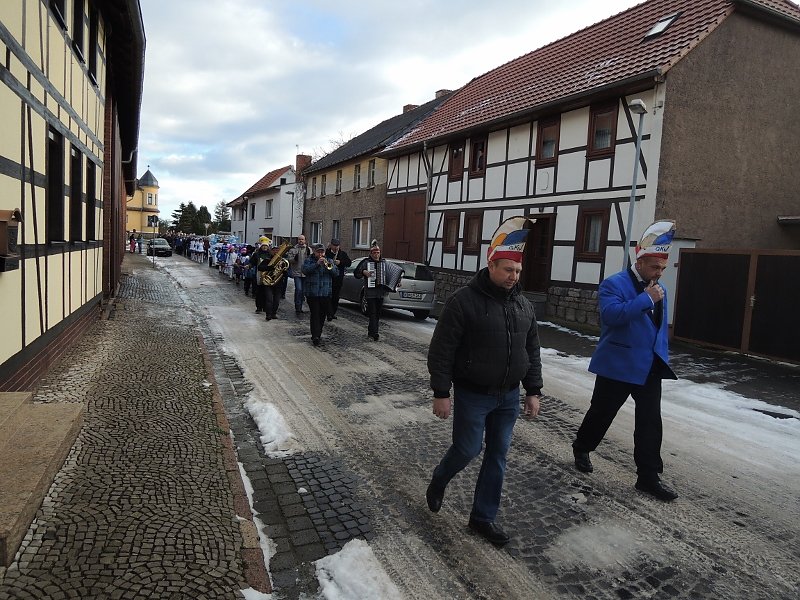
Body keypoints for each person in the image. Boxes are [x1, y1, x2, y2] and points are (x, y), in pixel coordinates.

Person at [425, 217, 542, 547]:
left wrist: (533, 390)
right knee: (468, 449)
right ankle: (440, 477)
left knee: (498, 456)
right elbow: (442, 349)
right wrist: (440, 392)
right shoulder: (463, 301)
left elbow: (531, 349)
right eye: (507, 270)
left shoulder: (523, 305)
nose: (513, 277)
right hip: (472, 394)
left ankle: (482, 518)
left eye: (517, 272)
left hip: (508, 397)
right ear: (491, 265)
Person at [572, 220, 679, 502]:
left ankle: (648, 476)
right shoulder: (614, 283)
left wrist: (662, 357)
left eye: (663, 269)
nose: (659, 273)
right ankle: (582, 446)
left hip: (649, 366)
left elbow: (658, 327)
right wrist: (645, 299)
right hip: (617, 363)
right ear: (640, 262)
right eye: (655, 267)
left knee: (649, 422)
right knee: (602, 412)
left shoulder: (658, 288)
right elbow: (612, 317)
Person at [353, 242, 399, 341]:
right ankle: (375, 333)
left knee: (377, 313)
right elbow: (356, 273)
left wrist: (396, 284)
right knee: (373, 313)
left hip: (380, 293)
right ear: (371, 253)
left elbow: (391, 279)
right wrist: (363, 272)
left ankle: (371, 331)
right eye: (374, 253)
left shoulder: (384, 263)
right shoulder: (366, 262)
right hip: (370, 293)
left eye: (377, 253)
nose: (376, 255)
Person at [302, 243, 338, 346]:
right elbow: (305, 270)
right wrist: (317, 264)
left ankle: (318, 333)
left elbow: (336, 273)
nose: (321, 254)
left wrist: (328, 267)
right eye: (319, 252)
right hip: (312, 293)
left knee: (322, 315)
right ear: (315, 252)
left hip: (325, 293)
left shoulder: (329, 261)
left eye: (322, 252)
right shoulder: (309, 260)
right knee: (315, 314)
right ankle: (315, 336)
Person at [325, 238, 352, 321]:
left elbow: (349, 263)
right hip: (328, 278)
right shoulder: (326, 253)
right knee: (328, 297)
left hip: (338, 279)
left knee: (336, 297)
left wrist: (340, 262)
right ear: (331, 245)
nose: (336, 247)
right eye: (335, 246)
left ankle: (332, 313)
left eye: (337, 246)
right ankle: (329, 313)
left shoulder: (342, 254)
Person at [286, 234, 311, 315]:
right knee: (299, 289)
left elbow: (311, 259)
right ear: (297, 240)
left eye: (302, 239)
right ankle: (298, 307)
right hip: (297, 273)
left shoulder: (308, 249)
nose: (301, 241)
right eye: (299, 239)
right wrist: (294, 259)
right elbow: (289, 260)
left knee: (303, 291)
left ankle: (300, 306)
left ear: (305, 240)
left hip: (306, 273)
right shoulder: (293, 249)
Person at [252, 238, 274, 315]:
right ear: (261, 246)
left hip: (268, 274)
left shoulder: (271, 255)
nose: (265, 247)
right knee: (259, 291)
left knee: (266, 291)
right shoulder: (256, 254)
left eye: (266, 246)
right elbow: (253, 262)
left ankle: (265, 307)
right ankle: (258, 307)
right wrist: (249, 265)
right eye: (263, 246)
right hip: (259, 273)